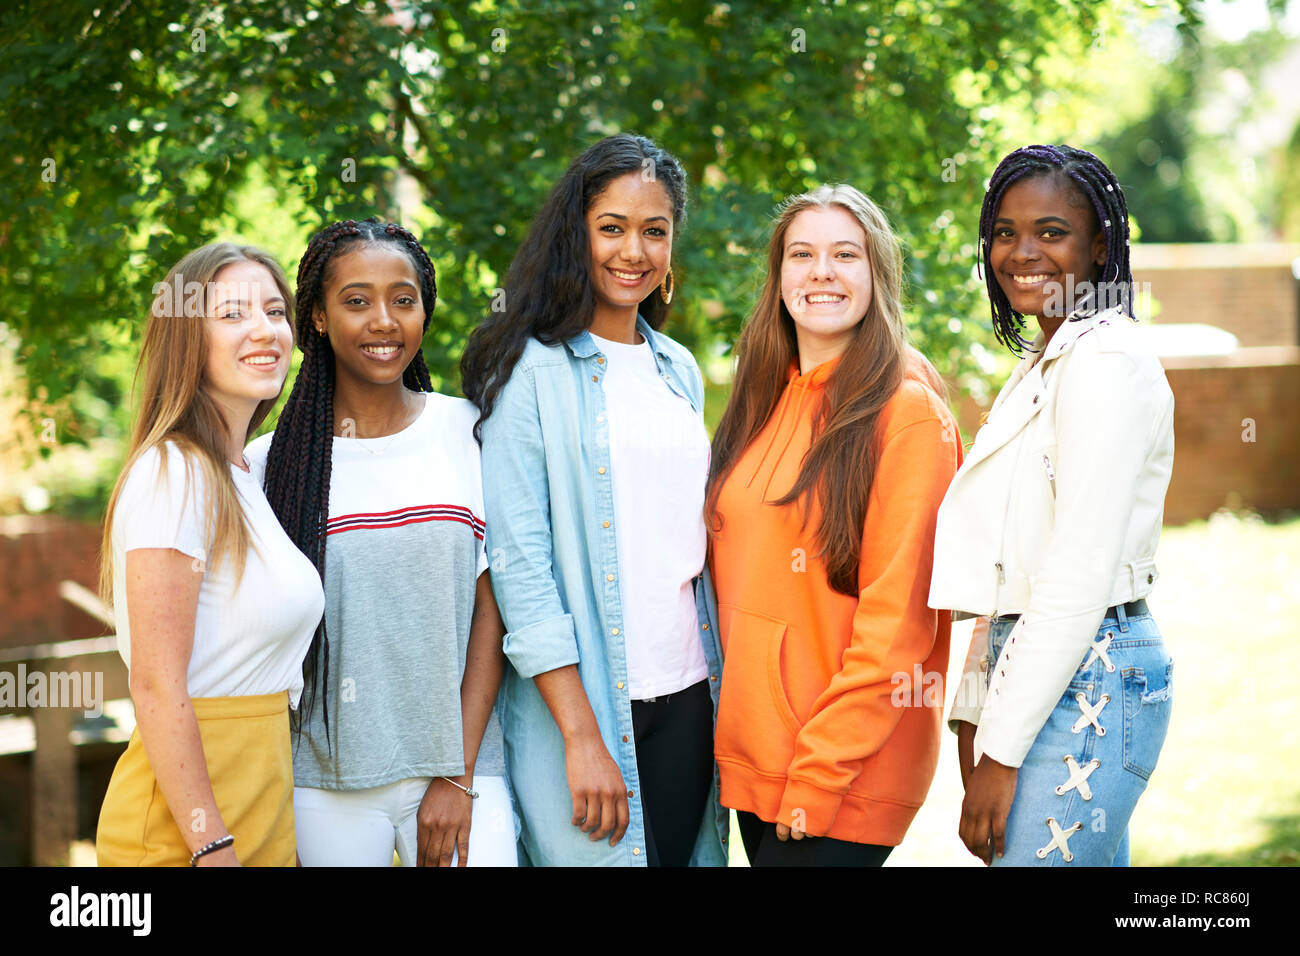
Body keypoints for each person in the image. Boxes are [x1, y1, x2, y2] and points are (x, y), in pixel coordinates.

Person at [461, 133, 728, 866]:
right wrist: (583, 736)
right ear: (576, 235)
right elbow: (520, 565)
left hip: (690, 694)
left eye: (655, 231)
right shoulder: (529, 372)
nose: (632, 251)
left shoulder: (679, 370)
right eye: (611, 228)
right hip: (578, 710)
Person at [931, 144, 1175, 866]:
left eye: (1051, 231)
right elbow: (1008, 562)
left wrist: (1000, 757)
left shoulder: (1105, 361)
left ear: (1100, 245)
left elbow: (1075, 574)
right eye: (1005, 232)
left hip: (1093, 671)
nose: (1021, 251)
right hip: (1038, 667)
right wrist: (973, 716)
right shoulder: (1047, 363)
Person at [246, 217, 516, 867]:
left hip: (465, 772)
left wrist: (454, 775)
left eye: (403, 299)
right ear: (316, 317)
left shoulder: (471, 431)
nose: (384, 320)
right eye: (357, 300)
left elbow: (494, 609)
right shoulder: (268, 465)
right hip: (324, 781)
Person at [706, 184, 960, 866]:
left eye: (846, 254)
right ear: (779, 275)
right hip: (756, 762)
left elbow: (899, 625)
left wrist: (818, 774)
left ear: (877, 275)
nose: (821, 271)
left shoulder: (907, 416)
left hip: (841, 775)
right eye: (802, 253)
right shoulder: (760, 399)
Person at [96, 243, 325, 867]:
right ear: (185, 340)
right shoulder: (175, 472)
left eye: (276, 312)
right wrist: (211, 845)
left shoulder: (246, 475)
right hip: (187, 833)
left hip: (262, 807)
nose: (264, 330)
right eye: (232, 315)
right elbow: (154, 682)